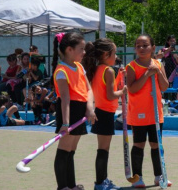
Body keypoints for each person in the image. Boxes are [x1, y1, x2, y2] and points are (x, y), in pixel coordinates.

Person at [126, 34, 171, 188]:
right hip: (138, 113)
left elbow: (164, 87)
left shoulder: (158, 64)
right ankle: (137, 178)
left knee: (156, 144)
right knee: (138, 144)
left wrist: (157, 72)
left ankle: (159, 176)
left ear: (153, 48)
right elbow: (132, 89)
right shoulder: (131, 66)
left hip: (156, 113)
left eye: (145, 45)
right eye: (138, 46)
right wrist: (147, 74)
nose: (141, 48)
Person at [51, 32, 96, 190]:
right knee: (64, 151)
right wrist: (65, 122)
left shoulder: (79, 66)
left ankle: (71, 185)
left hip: (80, 110)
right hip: (68, 112)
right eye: (81, 49)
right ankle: (62, 187)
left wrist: (90, 108)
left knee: (71, 151)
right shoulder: (61, 70)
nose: (84, 52)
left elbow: (88, 89)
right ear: (69, 49)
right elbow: (65, 98)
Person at [82, 38, 126, 190]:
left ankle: (102, 181)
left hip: (101, 111)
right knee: (103, 150)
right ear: (107, 54)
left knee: (102, 149)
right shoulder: (108, 70)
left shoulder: (97, 69)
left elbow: (106, 89)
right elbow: (111, 95)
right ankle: (101, 182)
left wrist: (119, 76)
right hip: (105, 113)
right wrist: (123, 91)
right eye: (115, 53)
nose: (116, 56)